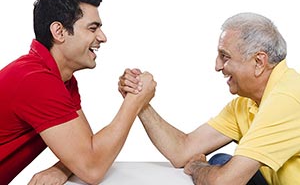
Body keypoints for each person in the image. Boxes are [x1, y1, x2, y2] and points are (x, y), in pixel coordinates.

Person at [118, 12, 300, 184]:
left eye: (225, 56)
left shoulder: (287, 98)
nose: (217, 66)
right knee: (220, 161)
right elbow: (182, 151)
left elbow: (224, 182)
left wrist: (197, 167)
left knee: (218, 169)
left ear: (259, 62)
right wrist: (139, 101)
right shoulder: (244, 104)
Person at [0, 0, 156, 185]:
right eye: (92, 28)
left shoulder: (61, 79)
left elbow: (85, 148)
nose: (102, 37)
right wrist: (135, 101)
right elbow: (93, 168)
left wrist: (61, 168)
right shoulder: (35, 80)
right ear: (59, 31)